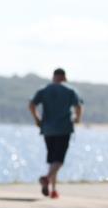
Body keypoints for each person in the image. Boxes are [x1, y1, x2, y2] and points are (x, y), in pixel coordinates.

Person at [29, 68, 83, 199]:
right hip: (63, 128)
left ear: (53, 77)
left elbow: (31, 104)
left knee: (53, 160)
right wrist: (77, 118)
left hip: (47, 129)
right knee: (59, 160)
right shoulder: (70, 91)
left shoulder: (44, 90)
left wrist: (37, 119)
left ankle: (53, 189)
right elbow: (79, 106)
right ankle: (47, 179)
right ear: (64, 77)